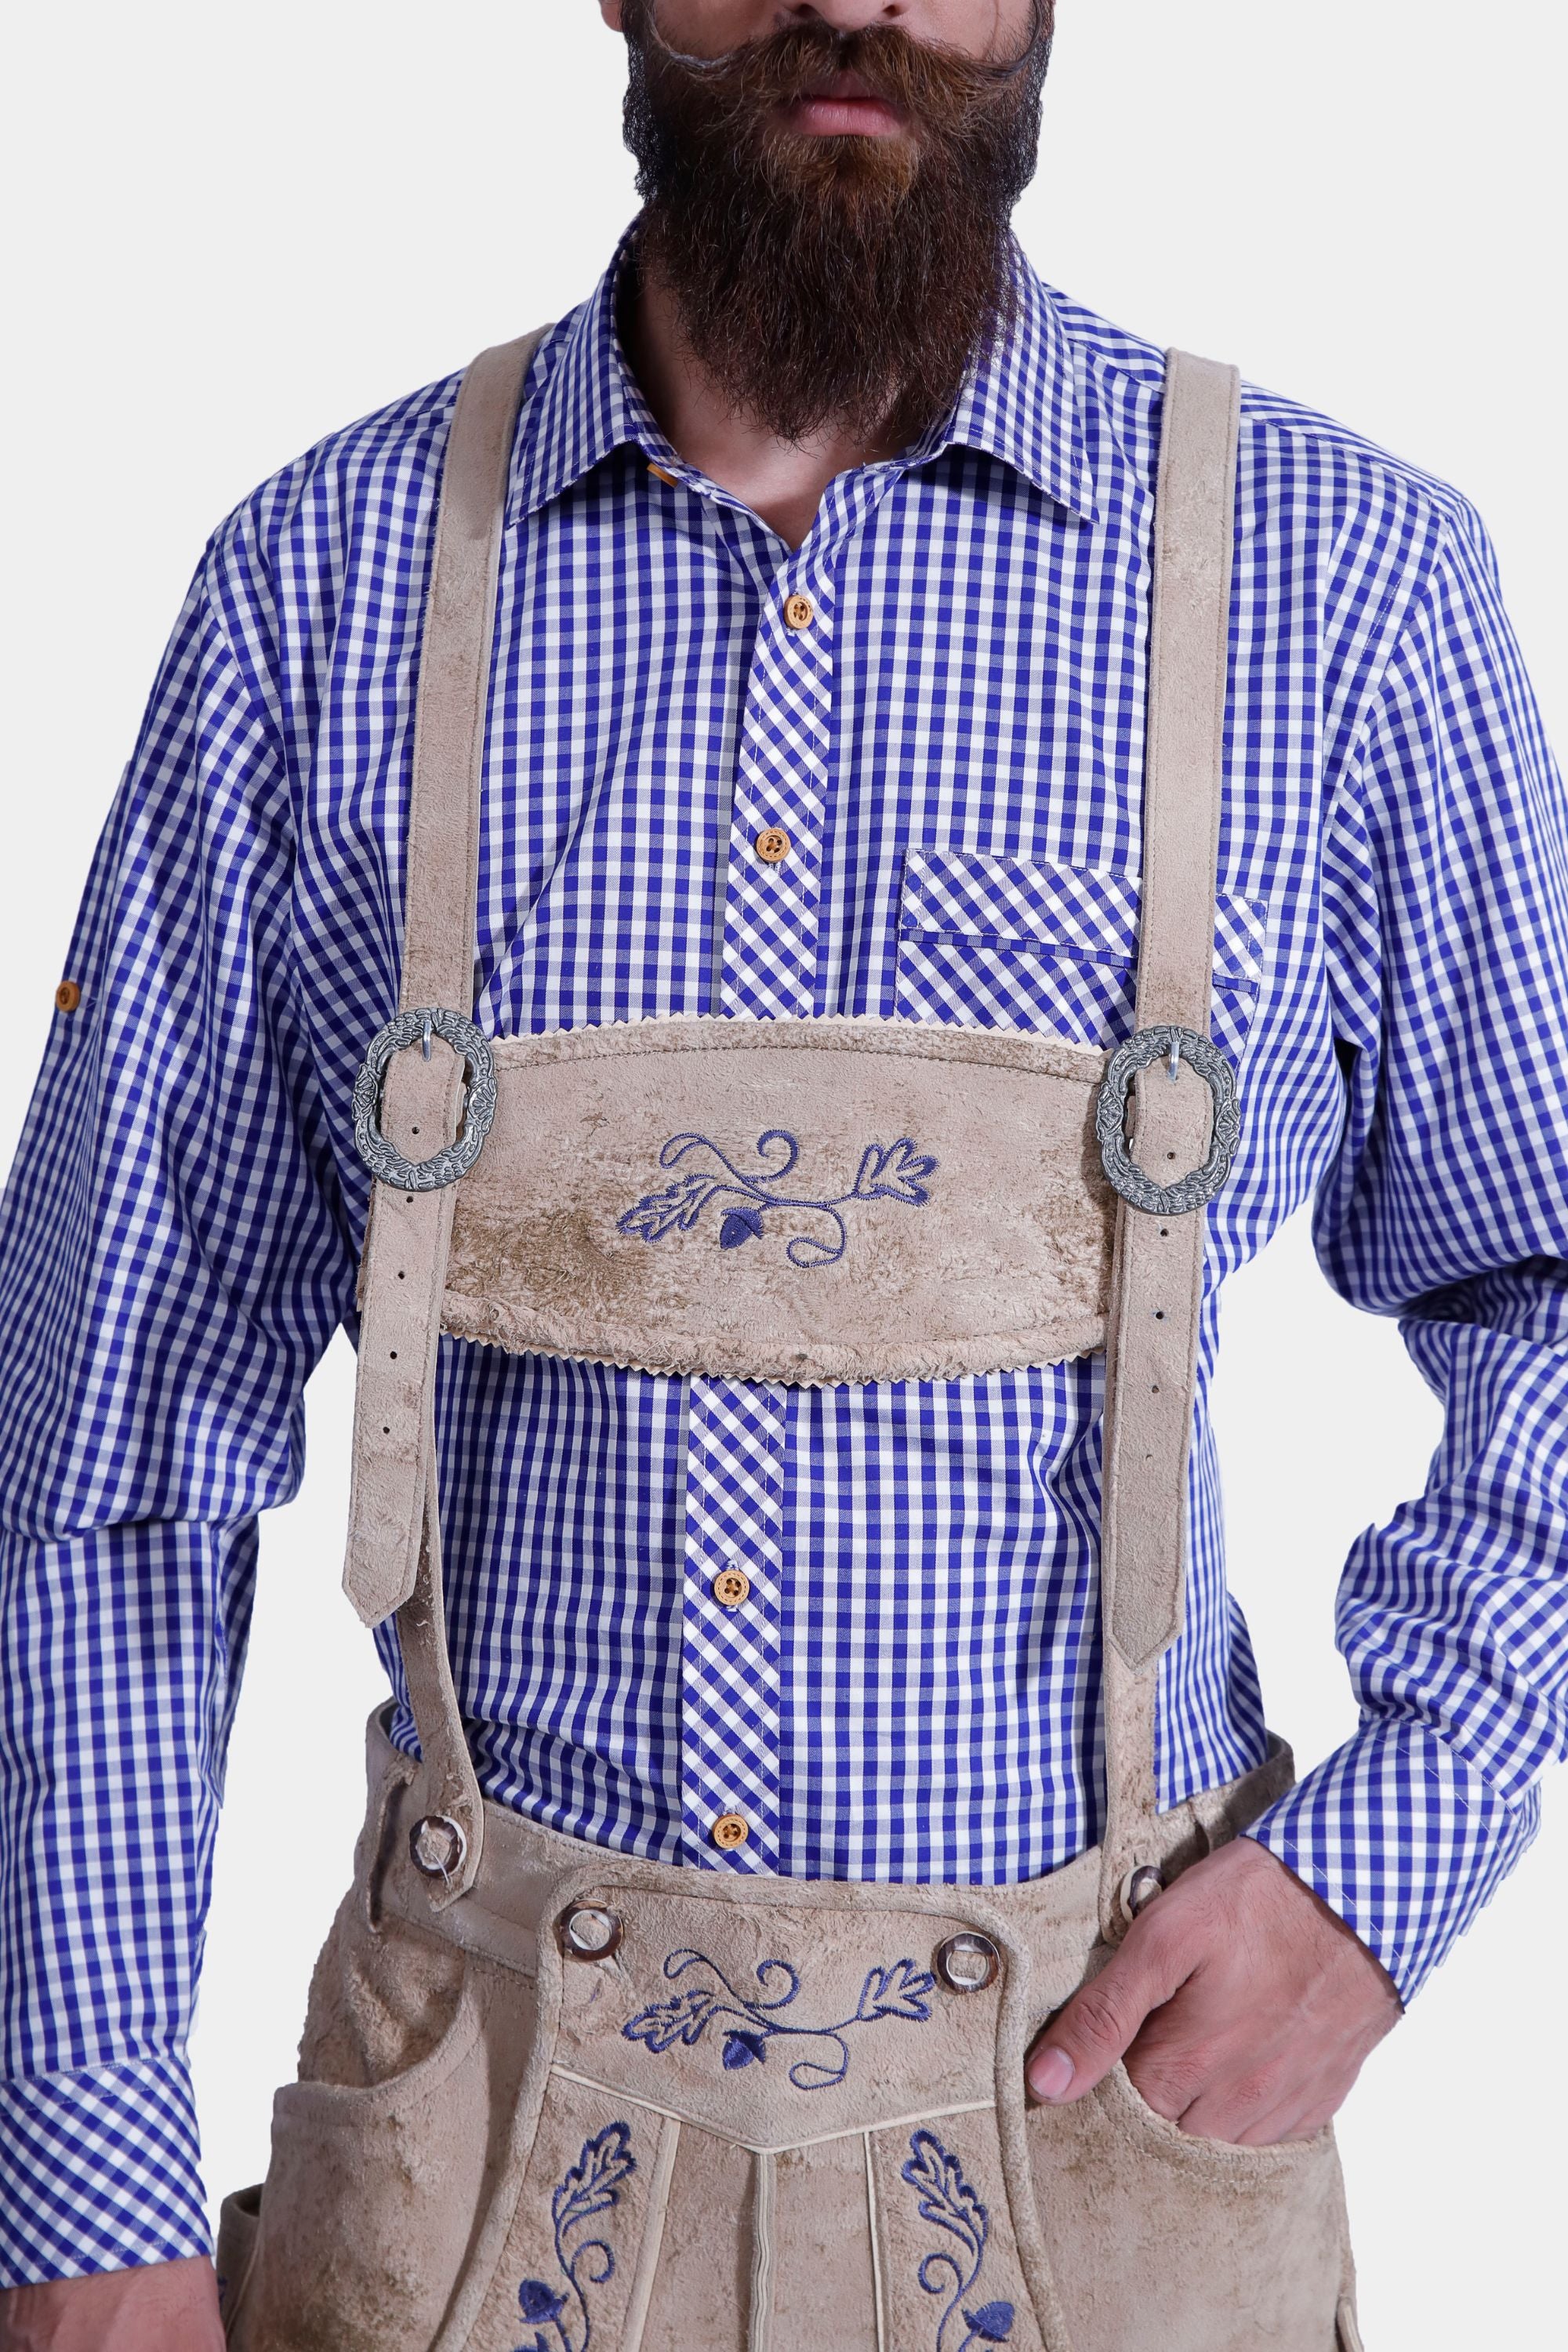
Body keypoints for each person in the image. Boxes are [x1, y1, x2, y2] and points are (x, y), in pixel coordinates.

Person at [1, 1, 1563, 2345]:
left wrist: (1393, 1854)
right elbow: (97, 1449)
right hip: (459, 2174)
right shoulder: (317, 594)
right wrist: (87, 2178)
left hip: (1114, 2164)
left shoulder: (1347, 593)